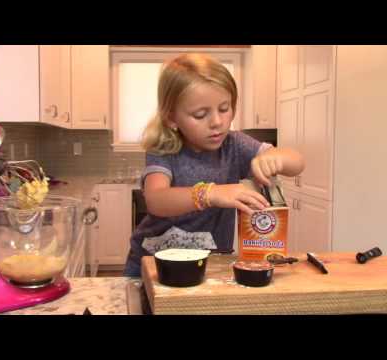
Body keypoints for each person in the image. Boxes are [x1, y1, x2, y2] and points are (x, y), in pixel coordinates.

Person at [123, 53, 304, 277]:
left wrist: (275, 158)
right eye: (200, 114)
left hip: (211, 266)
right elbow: (156, 200)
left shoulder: (234, 145)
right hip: (154, 267)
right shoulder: (164, 148)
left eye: (224, 108)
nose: (217, 122)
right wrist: (210, 193)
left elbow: (296, 163)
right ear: (171, 117)